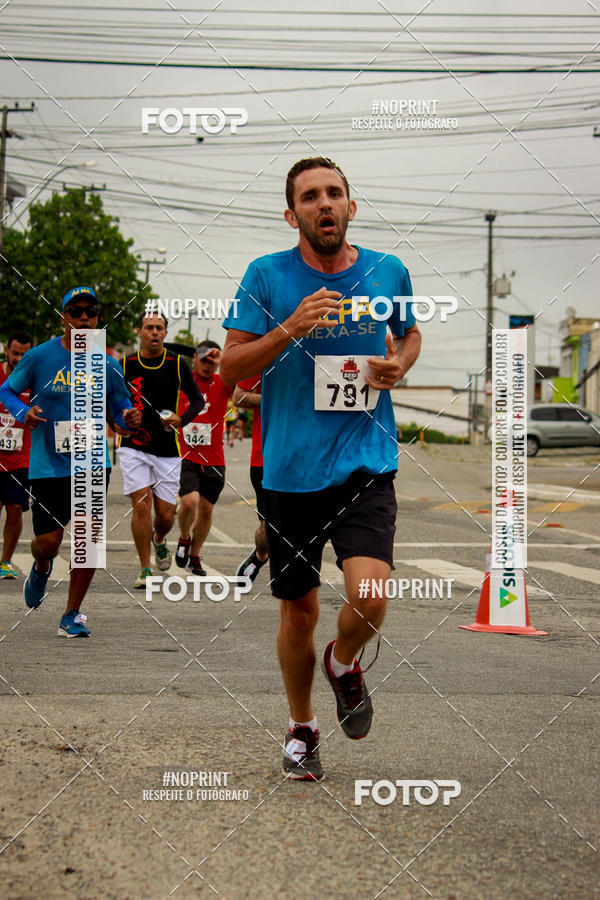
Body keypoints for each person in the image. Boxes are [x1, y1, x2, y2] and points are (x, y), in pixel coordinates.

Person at [221, 156, 421, 781]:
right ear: (293, 214)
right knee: (298, 611)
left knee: (369, 595)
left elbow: (409, 335)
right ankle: (303, 726)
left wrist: (400, 365)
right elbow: (229, 366)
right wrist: (289, 327)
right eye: (310, 196)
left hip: (365, 462)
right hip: (289, 471)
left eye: (335, 193)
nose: (324, 203)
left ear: (351, 207)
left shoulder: (388, 271)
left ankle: (344, 662)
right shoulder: (266, 275)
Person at [0, 287, 141, 636]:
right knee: (48, 542)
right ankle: (42, 565)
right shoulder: (39, 357)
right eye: (75, 312)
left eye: (89, 313)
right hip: (48, 463)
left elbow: (120, 409)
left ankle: (71, 614)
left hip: (93, 462)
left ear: (96, 320)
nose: (82, 319)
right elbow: (5, 391)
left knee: (88, 540)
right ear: (63, 317)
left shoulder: (107, 363)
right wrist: (23, 412)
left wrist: (129, 419)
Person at [117, 313, 204, 589]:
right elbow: (112, 400)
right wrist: (121, 419)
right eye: (149, 328)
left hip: (167, 449)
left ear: (165, 333)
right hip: (134, 446)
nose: (154, 332)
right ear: (139, 331)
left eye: (159, 328)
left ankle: (159, 539)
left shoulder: (177, 363)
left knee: (165, 515)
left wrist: (182, 419)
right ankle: (145, 568)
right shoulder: (125, 363)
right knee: (141, 505)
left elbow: (197, 400)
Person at [174, 341, 233, 576]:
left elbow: (242, 387)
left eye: (213, 361)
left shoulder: (223, 383)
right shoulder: (181, 383)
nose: (208, 365)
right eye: (204, 360)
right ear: (194, 359)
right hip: (186, 456)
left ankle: (195, 555)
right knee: (189, 502)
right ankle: (184, 538)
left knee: (207, 510)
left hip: (215, 459)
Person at [0, 331, 33, 578]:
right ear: (6, 352)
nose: (19, 359)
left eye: (24, 354)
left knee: (14, 509)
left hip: (21, 458)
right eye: (15, 353)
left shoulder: (34, 383)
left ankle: (5, 562)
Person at [233, 374, 269, 583]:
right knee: (267, 532)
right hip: (265, 459)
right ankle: (260, 554)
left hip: (310, 458)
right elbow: (238, 397)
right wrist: (276, 399)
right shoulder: (267, 354)